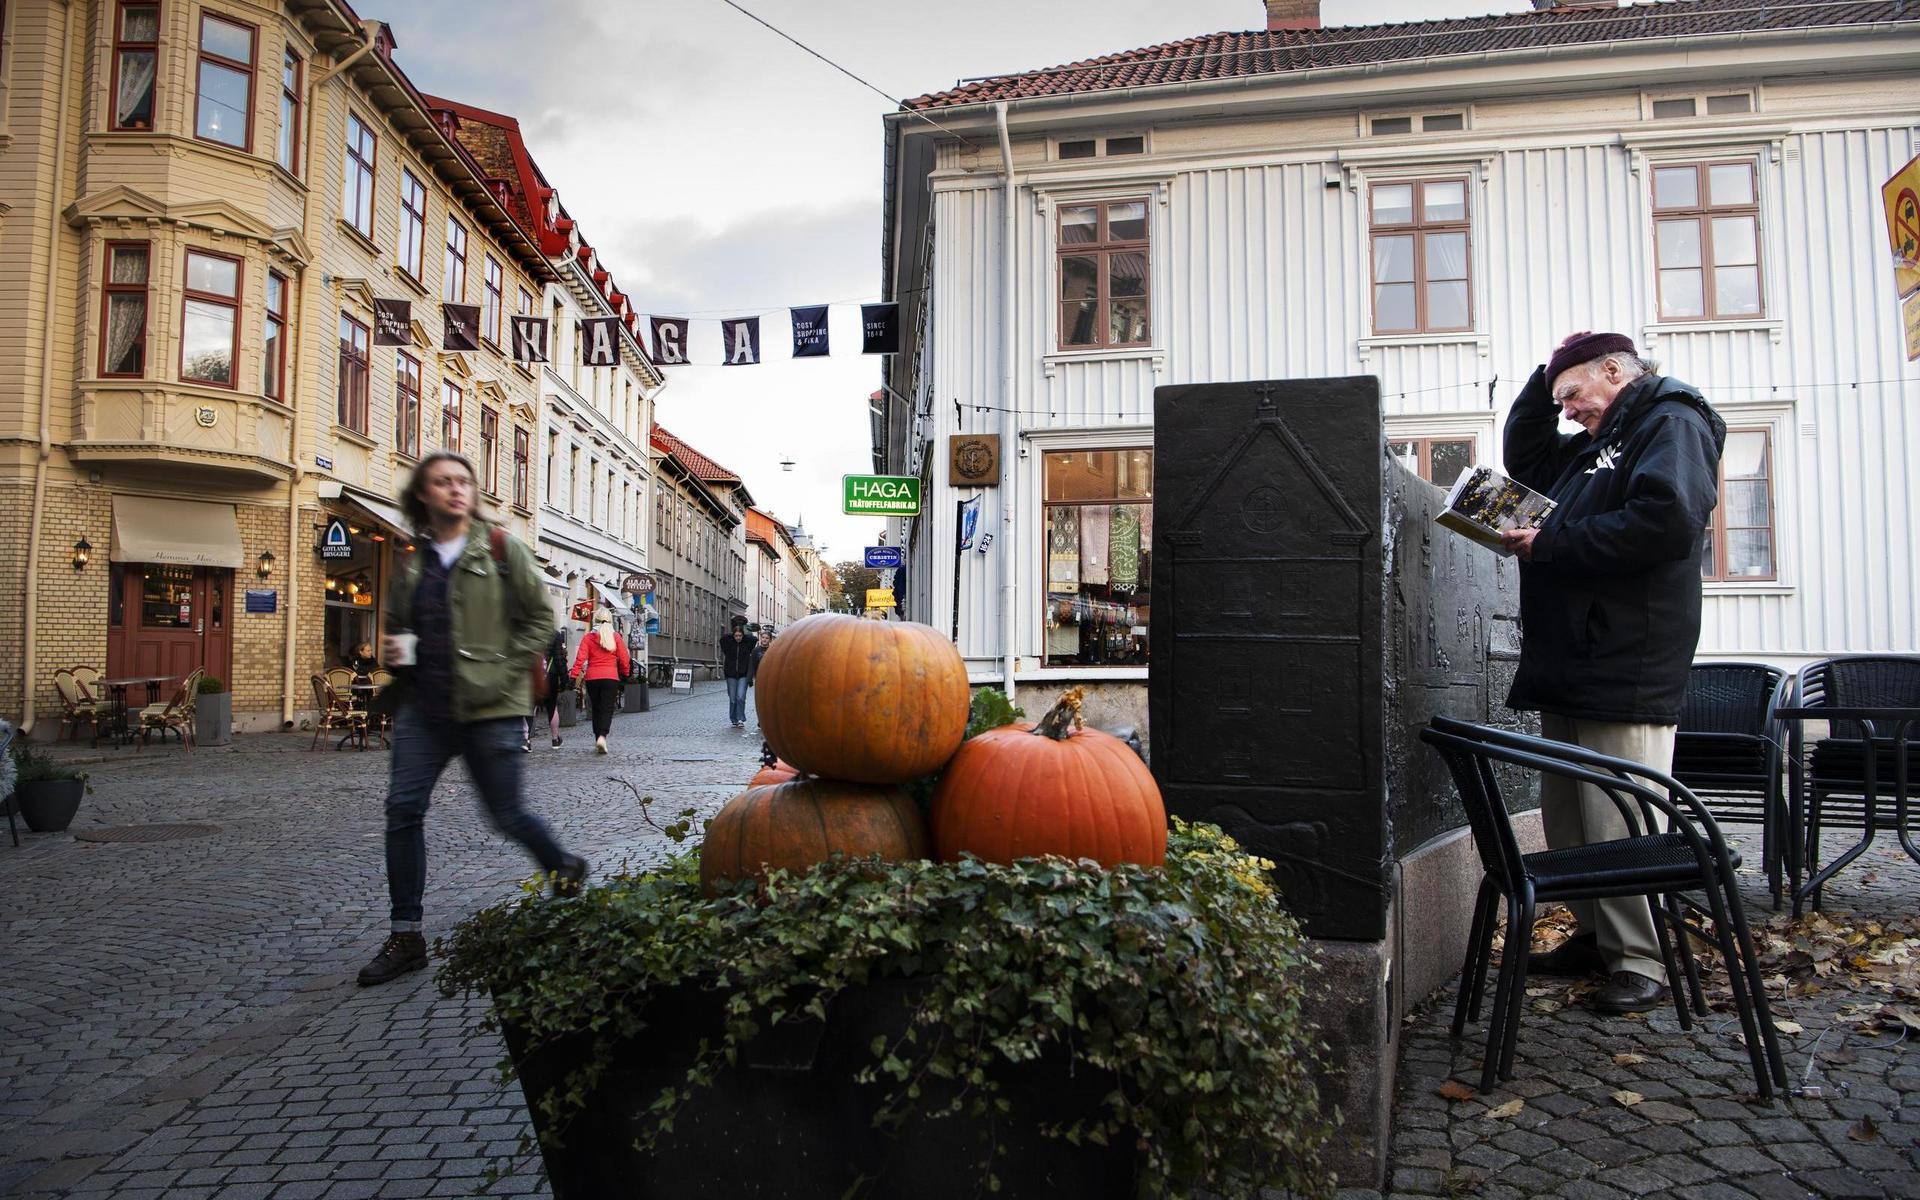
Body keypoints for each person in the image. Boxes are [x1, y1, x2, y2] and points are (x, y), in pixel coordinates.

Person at [1500, 331, 1725, 1016]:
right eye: (1560, 398)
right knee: (1572, 819)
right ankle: (1596, 938)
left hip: (1626, 660)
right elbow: (1528, 457)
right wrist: (1545, 380)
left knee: (1619, 818)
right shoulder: (1595, 444)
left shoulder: (1669, 420)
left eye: (1574, 395)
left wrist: (1554, 542)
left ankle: (1641, 960)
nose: (1567, 410)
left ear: (1613, 370)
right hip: (1574, 658)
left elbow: (1668, 520)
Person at [358, 449, 588, 987]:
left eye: (463, 481)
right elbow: (396, 625)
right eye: (443, 482)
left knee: (506, 815)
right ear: (424, 494)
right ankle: (406, 935)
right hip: (424, 707)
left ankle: (565, 865)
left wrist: (504, 668)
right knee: (403, 809)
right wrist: (394, 647)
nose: (456, 490)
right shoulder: (414, 561)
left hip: (490, 708)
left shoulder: (503, 550)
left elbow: (539, 622)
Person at [571, 612, 631, 755]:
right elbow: (624, 658)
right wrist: (626, 673)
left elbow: (580, 658)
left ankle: (598, 737)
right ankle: (603, 737)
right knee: (607, 710)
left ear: (595, 620)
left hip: (592, 678)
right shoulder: (615, 637)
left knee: (596, 709)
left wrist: (573, 676)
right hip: (610, 678)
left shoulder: (588, 638)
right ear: (610, 621)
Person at [525, 629, 567, 753]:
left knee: (529, 707)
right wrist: (565, 679)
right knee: (552, 706)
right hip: (550, 675)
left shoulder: (528, 631)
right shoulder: (554, 634)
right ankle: (555, 739)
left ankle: (526, 740)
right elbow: (559, 659)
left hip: (532, 674)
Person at [719, 619, 755, 729]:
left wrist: (744, 629)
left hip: (743, 675)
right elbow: (722, 639)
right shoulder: (729, 644)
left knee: (740, 697)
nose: (738, 637)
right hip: (731, 675)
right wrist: (734, 629)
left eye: (740, 635)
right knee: (733, 698)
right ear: (733, 635)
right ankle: (733, 719)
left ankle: (740, 719)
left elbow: (754, 639)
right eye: (736, 635)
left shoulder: (747, 644)